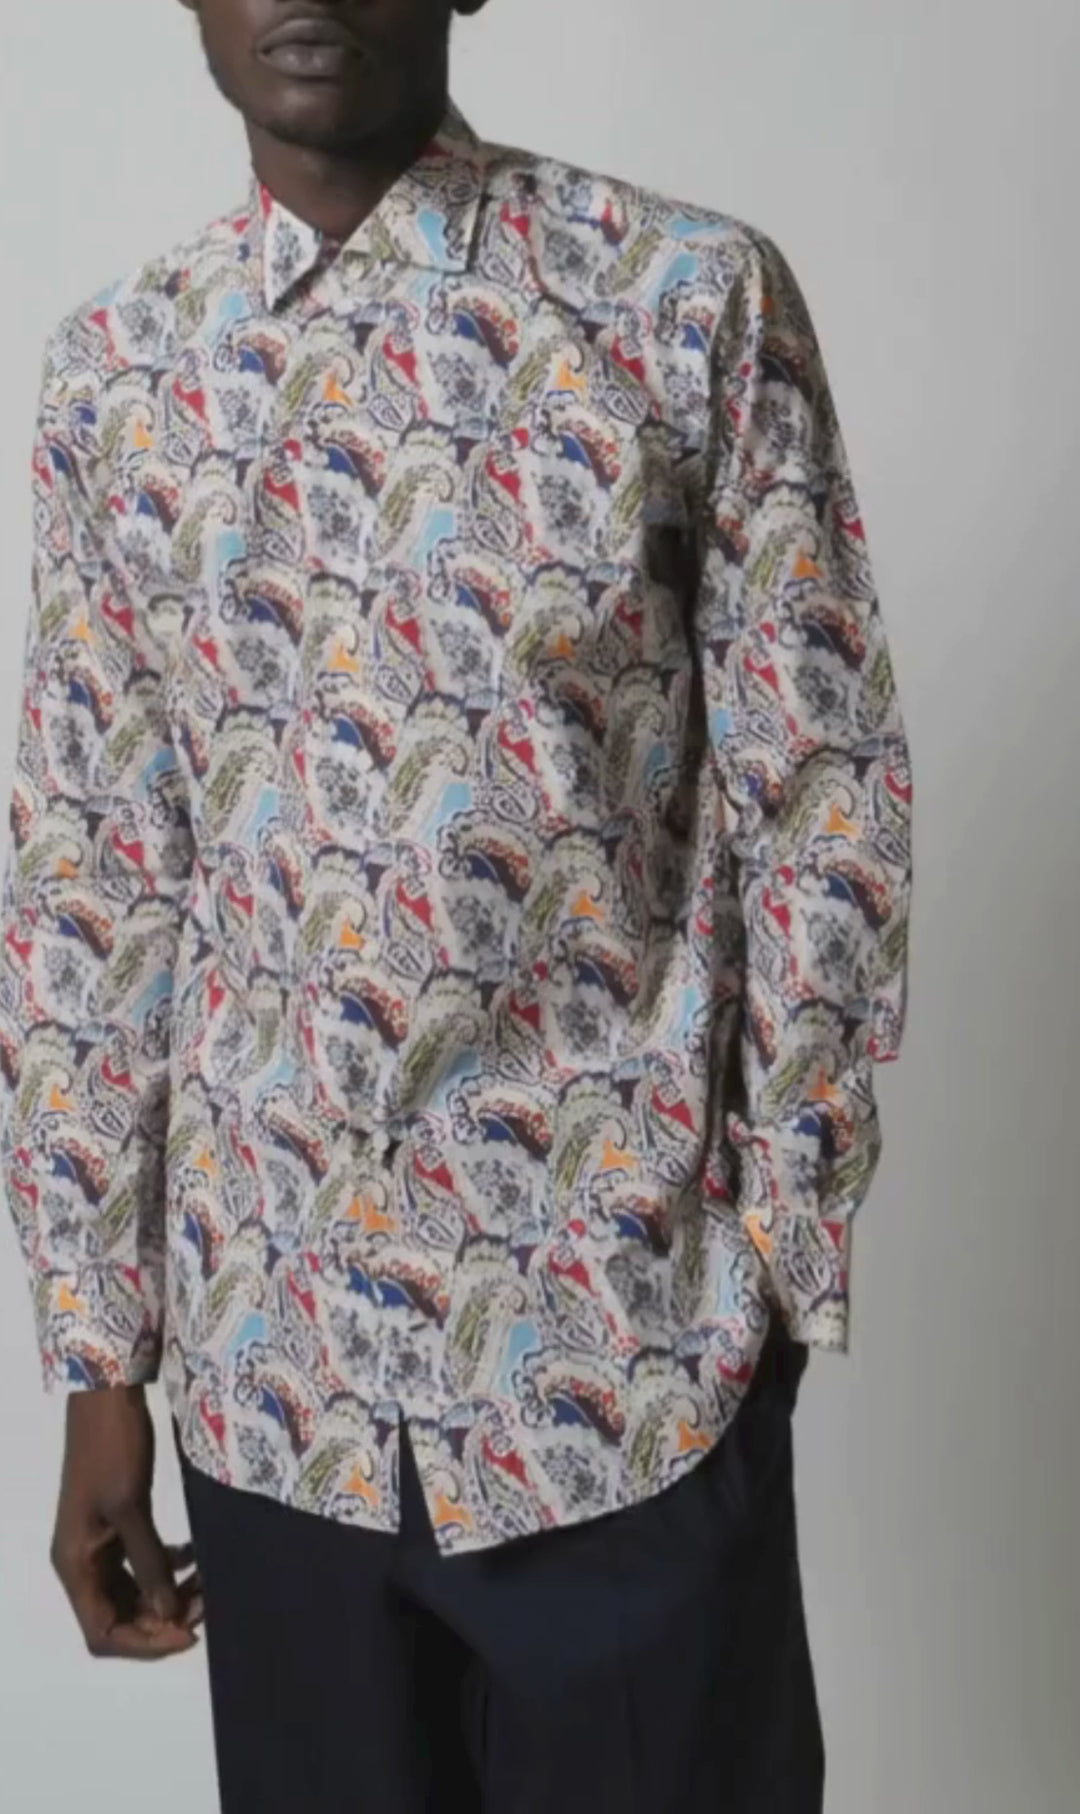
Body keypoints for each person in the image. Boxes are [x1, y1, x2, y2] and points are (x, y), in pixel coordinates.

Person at [0, 2, 912, 1809]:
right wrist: (101, 1360)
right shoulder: (117, 380)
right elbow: (98, 871)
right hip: (276, 1397)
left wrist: (777, 1267)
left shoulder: (684, 303)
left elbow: (823, 799)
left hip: (625, 1374)